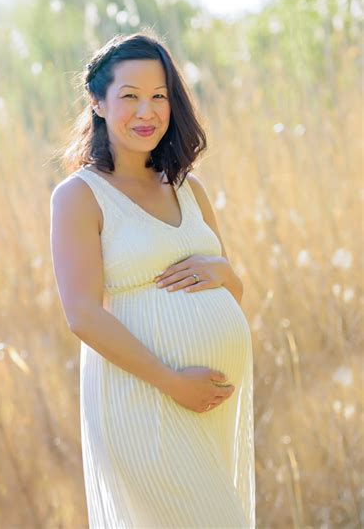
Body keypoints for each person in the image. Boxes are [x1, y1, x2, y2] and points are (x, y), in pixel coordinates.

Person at [50, 31, 256, 528]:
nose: (147, 112)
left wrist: (226, 272)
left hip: (207, 407)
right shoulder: (80, 196)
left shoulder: (190, 190)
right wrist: (170, 381)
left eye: (159, 96)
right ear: (97, 102)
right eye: (130, 96)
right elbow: (82, 314)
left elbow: (232, 291)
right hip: (145, 400)